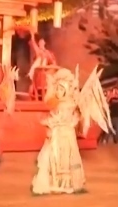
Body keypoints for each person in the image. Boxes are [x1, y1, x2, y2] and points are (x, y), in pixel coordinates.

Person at [32, 67, 112, 195]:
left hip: (67, 134)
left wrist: (79, 110)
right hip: (56, 133)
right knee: (52, 157)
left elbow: (78, 115)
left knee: (69, 157)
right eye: (57, 88)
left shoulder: (72, 103)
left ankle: (72, 183)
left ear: (66, 90)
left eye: (61, 89)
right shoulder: (55, 102)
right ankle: (53, 182)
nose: (58, 91)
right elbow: (50, 108)